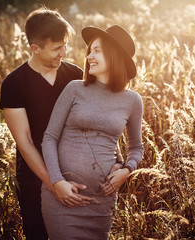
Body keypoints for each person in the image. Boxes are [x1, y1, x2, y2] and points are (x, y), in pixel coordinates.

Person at [41, 24, 144, 239]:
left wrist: (126, 171)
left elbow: (136, 147)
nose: (89, 57)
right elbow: (49, 138)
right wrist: (57, 182)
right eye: (90, 51)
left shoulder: (132, 100)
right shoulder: (75, 89)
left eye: (97, 51)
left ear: (114, 56)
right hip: (63, 198)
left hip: (101, 202)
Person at [0, 8, 91, 240]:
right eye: (56, 48)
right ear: (35, 48)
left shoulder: (75, 75)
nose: (64, 53)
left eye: (65, 45)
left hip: (76, 175)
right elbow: (25, 141)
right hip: (35, 180)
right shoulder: (14, 84)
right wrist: (54, 184)